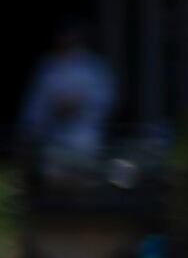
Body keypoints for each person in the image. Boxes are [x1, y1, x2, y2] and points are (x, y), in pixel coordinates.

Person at [20, 24, 116, 176]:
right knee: (55, 184)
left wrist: (78, 105)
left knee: (83, 183)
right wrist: (29, 133)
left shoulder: (93, 68)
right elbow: (35, 106)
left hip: (85, 141)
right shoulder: (49, 67)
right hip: (53, 141)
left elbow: (105, 100)